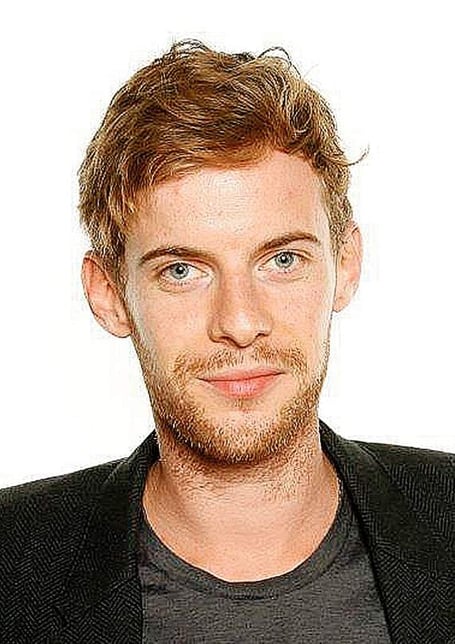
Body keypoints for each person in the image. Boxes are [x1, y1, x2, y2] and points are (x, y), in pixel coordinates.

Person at [0, 39, 453, 644]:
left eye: (282, 260)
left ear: (345, 265)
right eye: (182, 270)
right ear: (109, 294)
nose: (239, 322)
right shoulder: (12, 565)